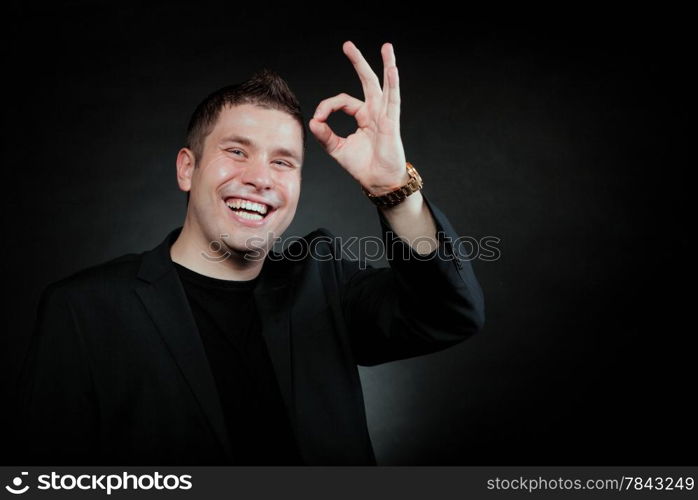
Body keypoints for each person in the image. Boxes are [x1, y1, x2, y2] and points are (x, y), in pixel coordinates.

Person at [15, 41, 485, 465]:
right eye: (237, 152)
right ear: (187, 168)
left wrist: (393, 189)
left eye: (283, 161)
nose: (261, 178)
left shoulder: (325, 283)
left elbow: (449, 313)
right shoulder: (84, 310)